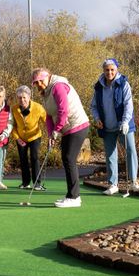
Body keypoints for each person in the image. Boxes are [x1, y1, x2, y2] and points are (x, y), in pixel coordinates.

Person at [30, 68, 90, 208]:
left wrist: (57, 130)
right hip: (67, 128)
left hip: (77, 125)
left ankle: (75, 197)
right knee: (66, 159)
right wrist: (51, 133)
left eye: (41, 81)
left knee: (69, 159)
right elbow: (49, 116)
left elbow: (64, 111)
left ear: (48, 77)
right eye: (36, 83)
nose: (39, 84)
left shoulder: (58, 86)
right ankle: (71, 195)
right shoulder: (46, 93)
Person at [90, 58, 139, 196]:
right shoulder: (99, 87)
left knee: (131, 151)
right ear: (103, 71)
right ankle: (113, 184)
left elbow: (128, 105)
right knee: (110, 155)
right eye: (107, 70)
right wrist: (97, 119)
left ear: (116, 70)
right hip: (107, 126)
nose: (109, 72)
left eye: (112, 70)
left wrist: (125, 121)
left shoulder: (123, 84)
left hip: (123, 125)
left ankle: (134, 182)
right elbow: (93, 106)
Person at [10, 85, 48, 190]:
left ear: (29, 97)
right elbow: (11, 126)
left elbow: (46, 121)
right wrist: (17, 138)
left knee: (34, 157)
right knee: (23, 159)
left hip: (35, 136)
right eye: (19, 98)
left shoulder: (38, 107)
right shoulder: (14, 109)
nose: (22, 100)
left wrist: (52, 133)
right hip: (20, 137)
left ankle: (37, 184)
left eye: (24, 97)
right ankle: (25, 182)